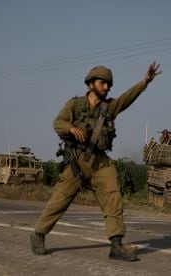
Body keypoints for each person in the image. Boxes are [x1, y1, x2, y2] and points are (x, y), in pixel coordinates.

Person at [31, 62, 161, 261]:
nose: (106, 87)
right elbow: (58, 123)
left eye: (109, 84)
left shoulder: (108, 108)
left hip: (100, 162)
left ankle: (116, 245)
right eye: (102, 83)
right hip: (77, 160)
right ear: (90, 84)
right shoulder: (74, 104)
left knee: (113, 197)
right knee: (60, 200)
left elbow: (127, 99)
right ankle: (38, 234)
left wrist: (145, 82)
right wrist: (70, 128)